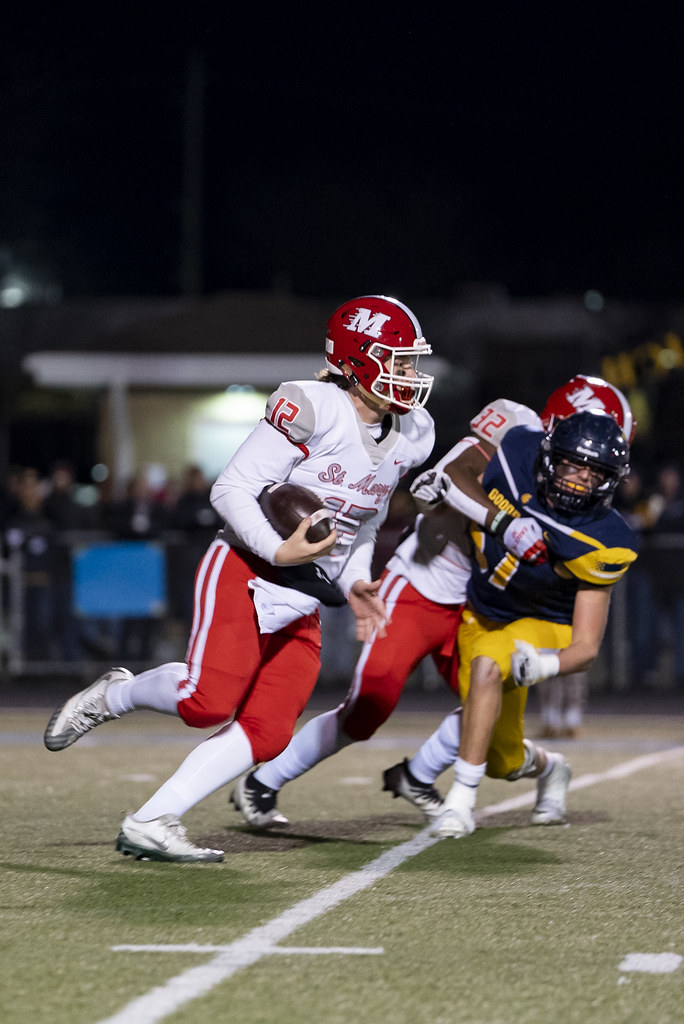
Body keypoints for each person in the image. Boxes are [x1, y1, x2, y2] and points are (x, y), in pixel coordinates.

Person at [43, 294, 436, 862]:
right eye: (395, 361)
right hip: (246, 569)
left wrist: (355, 582)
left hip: (302, 594)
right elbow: (229, 489)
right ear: (355, 360)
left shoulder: (412, 433)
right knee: (206, 701)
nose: (408, 375)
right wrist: (278, 549)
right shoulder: (315, 405)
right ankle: (117, 693)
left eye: (409, 362)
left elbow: (362, 524)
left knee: (271, 730)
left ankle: (152, 820)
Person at [231, 376, 634, 832]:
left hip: (489, 608)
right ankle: (264, 782)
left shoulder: (585, 501)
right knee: (370, 703)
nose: (585, 467)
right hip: (428, 580)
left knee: (495, 730)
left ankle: (426, 775)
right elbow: (448, 479)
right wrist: (501, 522)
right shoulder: (518, 433)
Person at [388, 409, 638, 839]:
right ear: (548, 457)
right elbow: (455, 473)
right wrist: (455, 506)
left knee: (487, 667)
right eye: (570, 464)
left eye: (592, 472)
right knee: (502, 759)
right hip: (481, 616)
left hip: (543, 626)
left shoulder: (604, 539)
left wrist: (544, 666)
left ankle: (459, 804)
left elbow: (587, 647)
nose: (578, 479)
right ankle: (552, 768)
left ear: (609, 481)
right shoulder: (517, 453)